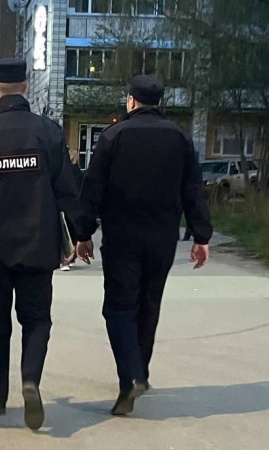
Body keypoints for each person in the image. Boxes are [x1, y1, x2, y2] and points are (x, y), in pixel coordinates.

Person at [0, 58, 90, 430]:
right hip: (39, 245)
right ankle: (30, 379)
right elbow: (68, 191)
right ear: (26, 86)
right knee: (37, 320)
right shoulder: (47, 132)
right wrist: (81, 234)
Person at [76, 74, 213, 416]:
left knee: (119, 308)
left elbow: (93, 188)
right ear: (159, 102)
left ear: (131, 101)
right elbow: (193, 189)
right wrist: (201, 236)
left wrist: (83, 233)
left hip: (122, 237)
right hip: (162, 237)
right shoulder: (180, 138)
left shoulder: (113, 136)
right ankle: (142, 371)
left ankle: (131, 376)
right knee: (149, 305)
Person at [61, 147, 85, 272]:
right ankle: (72, 257)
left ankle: (65, 259)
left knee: (65, 233)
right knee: (74, 233)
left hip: (65, 206)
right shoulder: (79, 173)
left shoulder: (64, 173)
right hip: (77, 206)